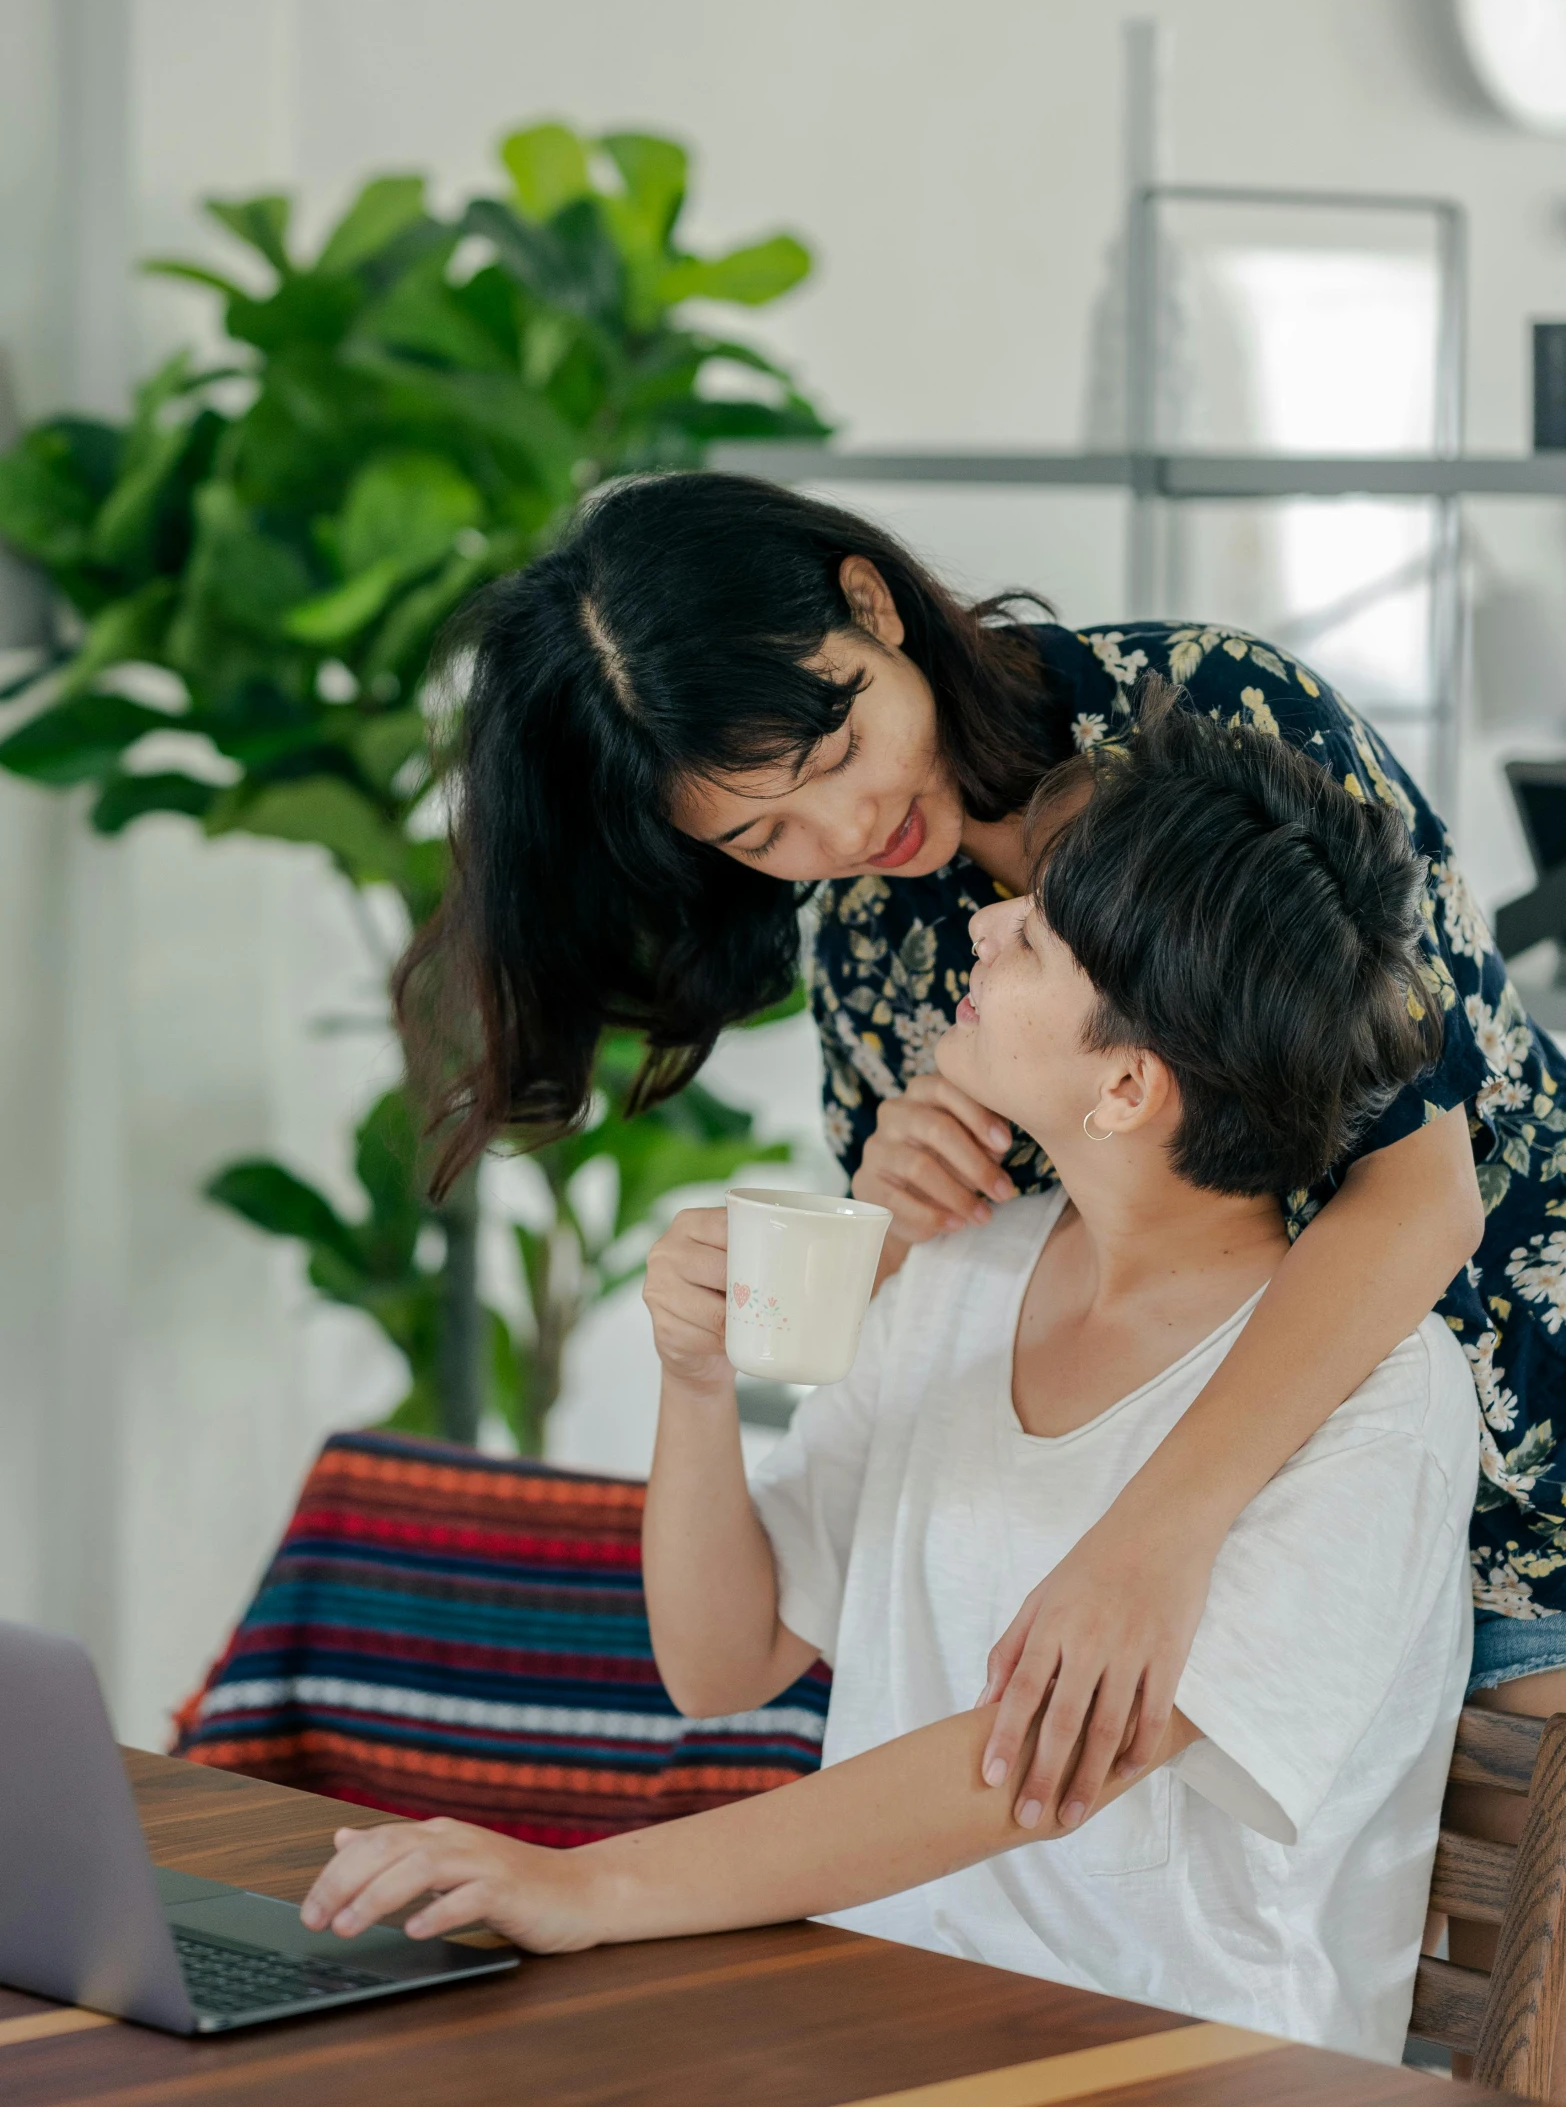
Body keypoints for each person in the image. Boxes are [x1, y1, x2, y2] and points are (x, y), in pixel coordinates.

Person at [312, 690, 1479, 2061]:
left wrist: (589, 1884)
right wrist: (694, 1380)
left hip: (1181, 2068)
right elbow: (721, 1662)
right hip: (878, 2027)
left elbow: (1028, 1770)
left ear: (1124, 1092)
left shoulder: (1373, 1403)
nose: (980, 925)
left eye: (1032, 937)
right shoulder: (964, 1270)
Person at [397, 468, 1557, 1818]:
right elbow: (927, 1332)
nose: (840, 837)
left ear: (870, 604)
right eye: (761, 833)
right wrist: (886, 1208)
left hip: (1504, 1465)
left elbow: (1419, 1201)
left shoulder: (1208, 727)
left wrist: (1150, 1539)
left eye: (832, 755)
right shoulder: (870, 932)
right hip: (1196, 1536)